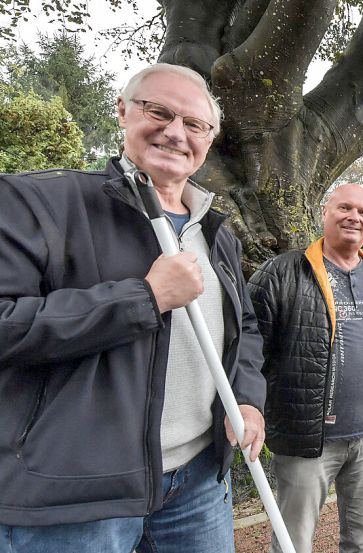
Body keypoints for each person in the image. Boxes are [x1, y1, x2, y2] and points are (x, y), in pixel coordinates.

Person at [0, 63, 266, 553]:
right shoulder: (40, 202)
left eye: (194, 125)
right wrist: (144, 299)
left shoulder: (217, 232)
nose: (174, 132)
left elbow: (244, 328)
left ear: (209, 139)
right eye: (158, 112)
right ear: (123, 112)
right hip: (75, 500)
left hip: (199, 483)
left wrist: (247, 397)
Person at [247, 182, 363, 553]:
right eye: (344, 208)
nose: (354, 217)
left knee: (362, 540)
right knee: (292, 544)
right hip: (307, 442)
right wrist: (249, 405)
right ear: (325, 213)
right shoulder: (282, 272)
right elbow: (246, 347)